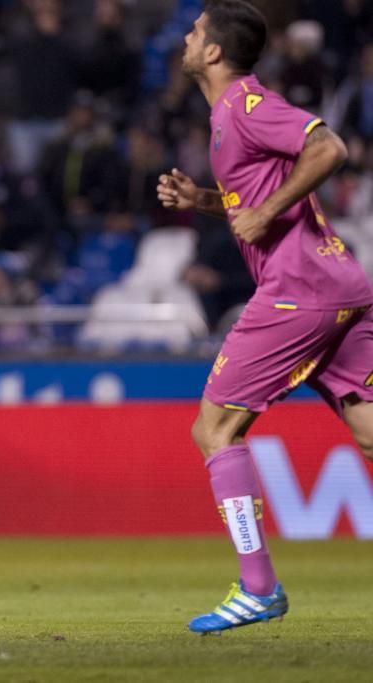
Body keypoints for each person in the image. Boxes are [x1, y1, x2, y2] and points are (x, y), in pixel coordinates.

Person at [158, 0, 373, 634]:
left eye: (195, 33)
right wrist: (207, 201)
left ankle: (259, 588)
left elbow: (327, 147)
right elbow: (251, 203)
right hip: (336, 284)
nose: (187, 39)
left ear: (215, 53)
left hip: (297, 290)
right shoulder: (226, 118)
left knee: (214, 431)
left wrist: (266, 207)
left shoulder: (246, 105)